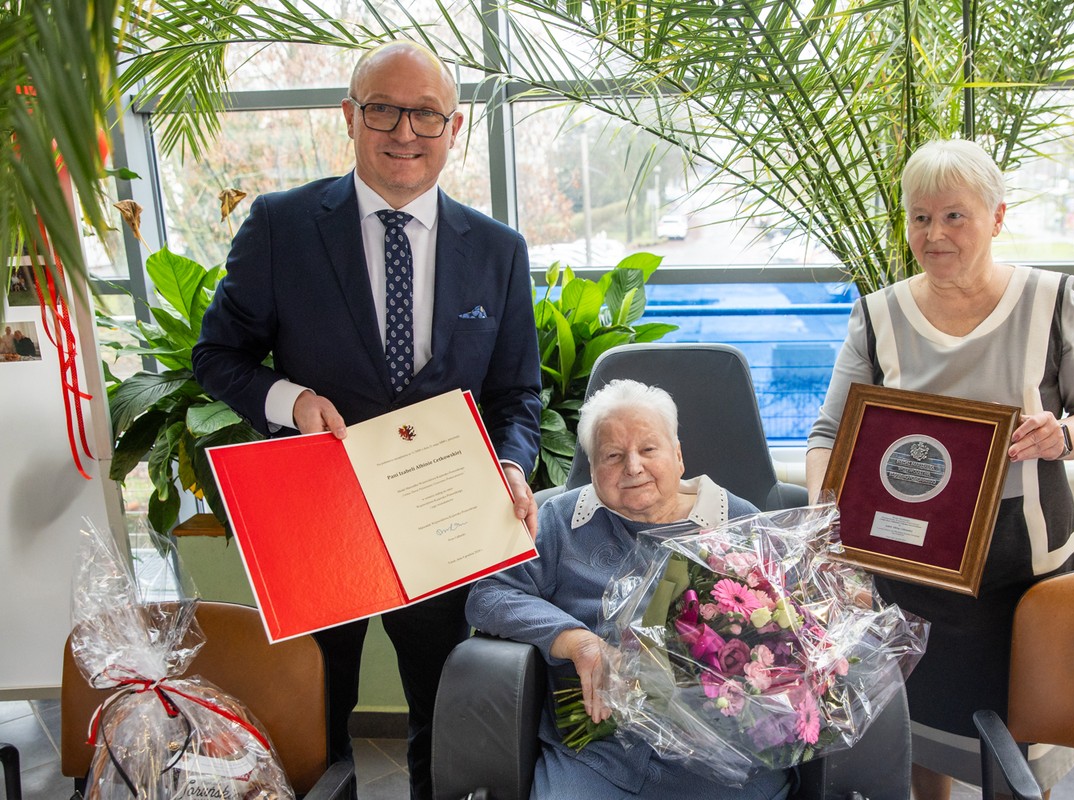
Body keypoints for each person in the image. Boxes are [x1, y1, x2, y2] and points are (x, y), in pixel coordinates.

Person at [192, 40, 542, 800]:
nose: (404, 131)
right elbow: (218, 355)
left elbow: (519, 396)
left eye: (425, 114)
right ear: (349, 117)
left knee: (441, 713)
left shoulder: (498, 251)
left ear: (455, 130)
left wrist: (510, 467)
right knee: (316, 712)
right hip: (322, 519)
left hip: (444, 525)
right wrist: (292, 403)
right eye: (383, 108)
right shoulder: (282, 227)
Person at [805, 138, 1074, 800]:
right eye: (920, 217)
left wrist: (1064, 434)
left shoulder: (1052, 302)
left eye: (954, 215)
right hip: (913, 569)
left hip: (1026, 570)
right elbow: (829, 432)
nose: (934, 234)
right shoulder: (878, 315)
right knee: (923, 727)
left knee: (1024, 745)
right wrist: (827, 520)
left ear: (997, 217)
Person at [466, 379, 790, 799]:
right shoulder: (562, 521)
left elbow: (789, 625)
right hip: (599, 751)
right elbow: (489, 595)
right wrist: (577, 642)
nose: (633, 467)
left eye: (648, 450)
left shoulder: (737, 522)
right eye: (613, 456)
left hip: (723, 754)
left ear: (678, 455)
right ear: (592, 465)